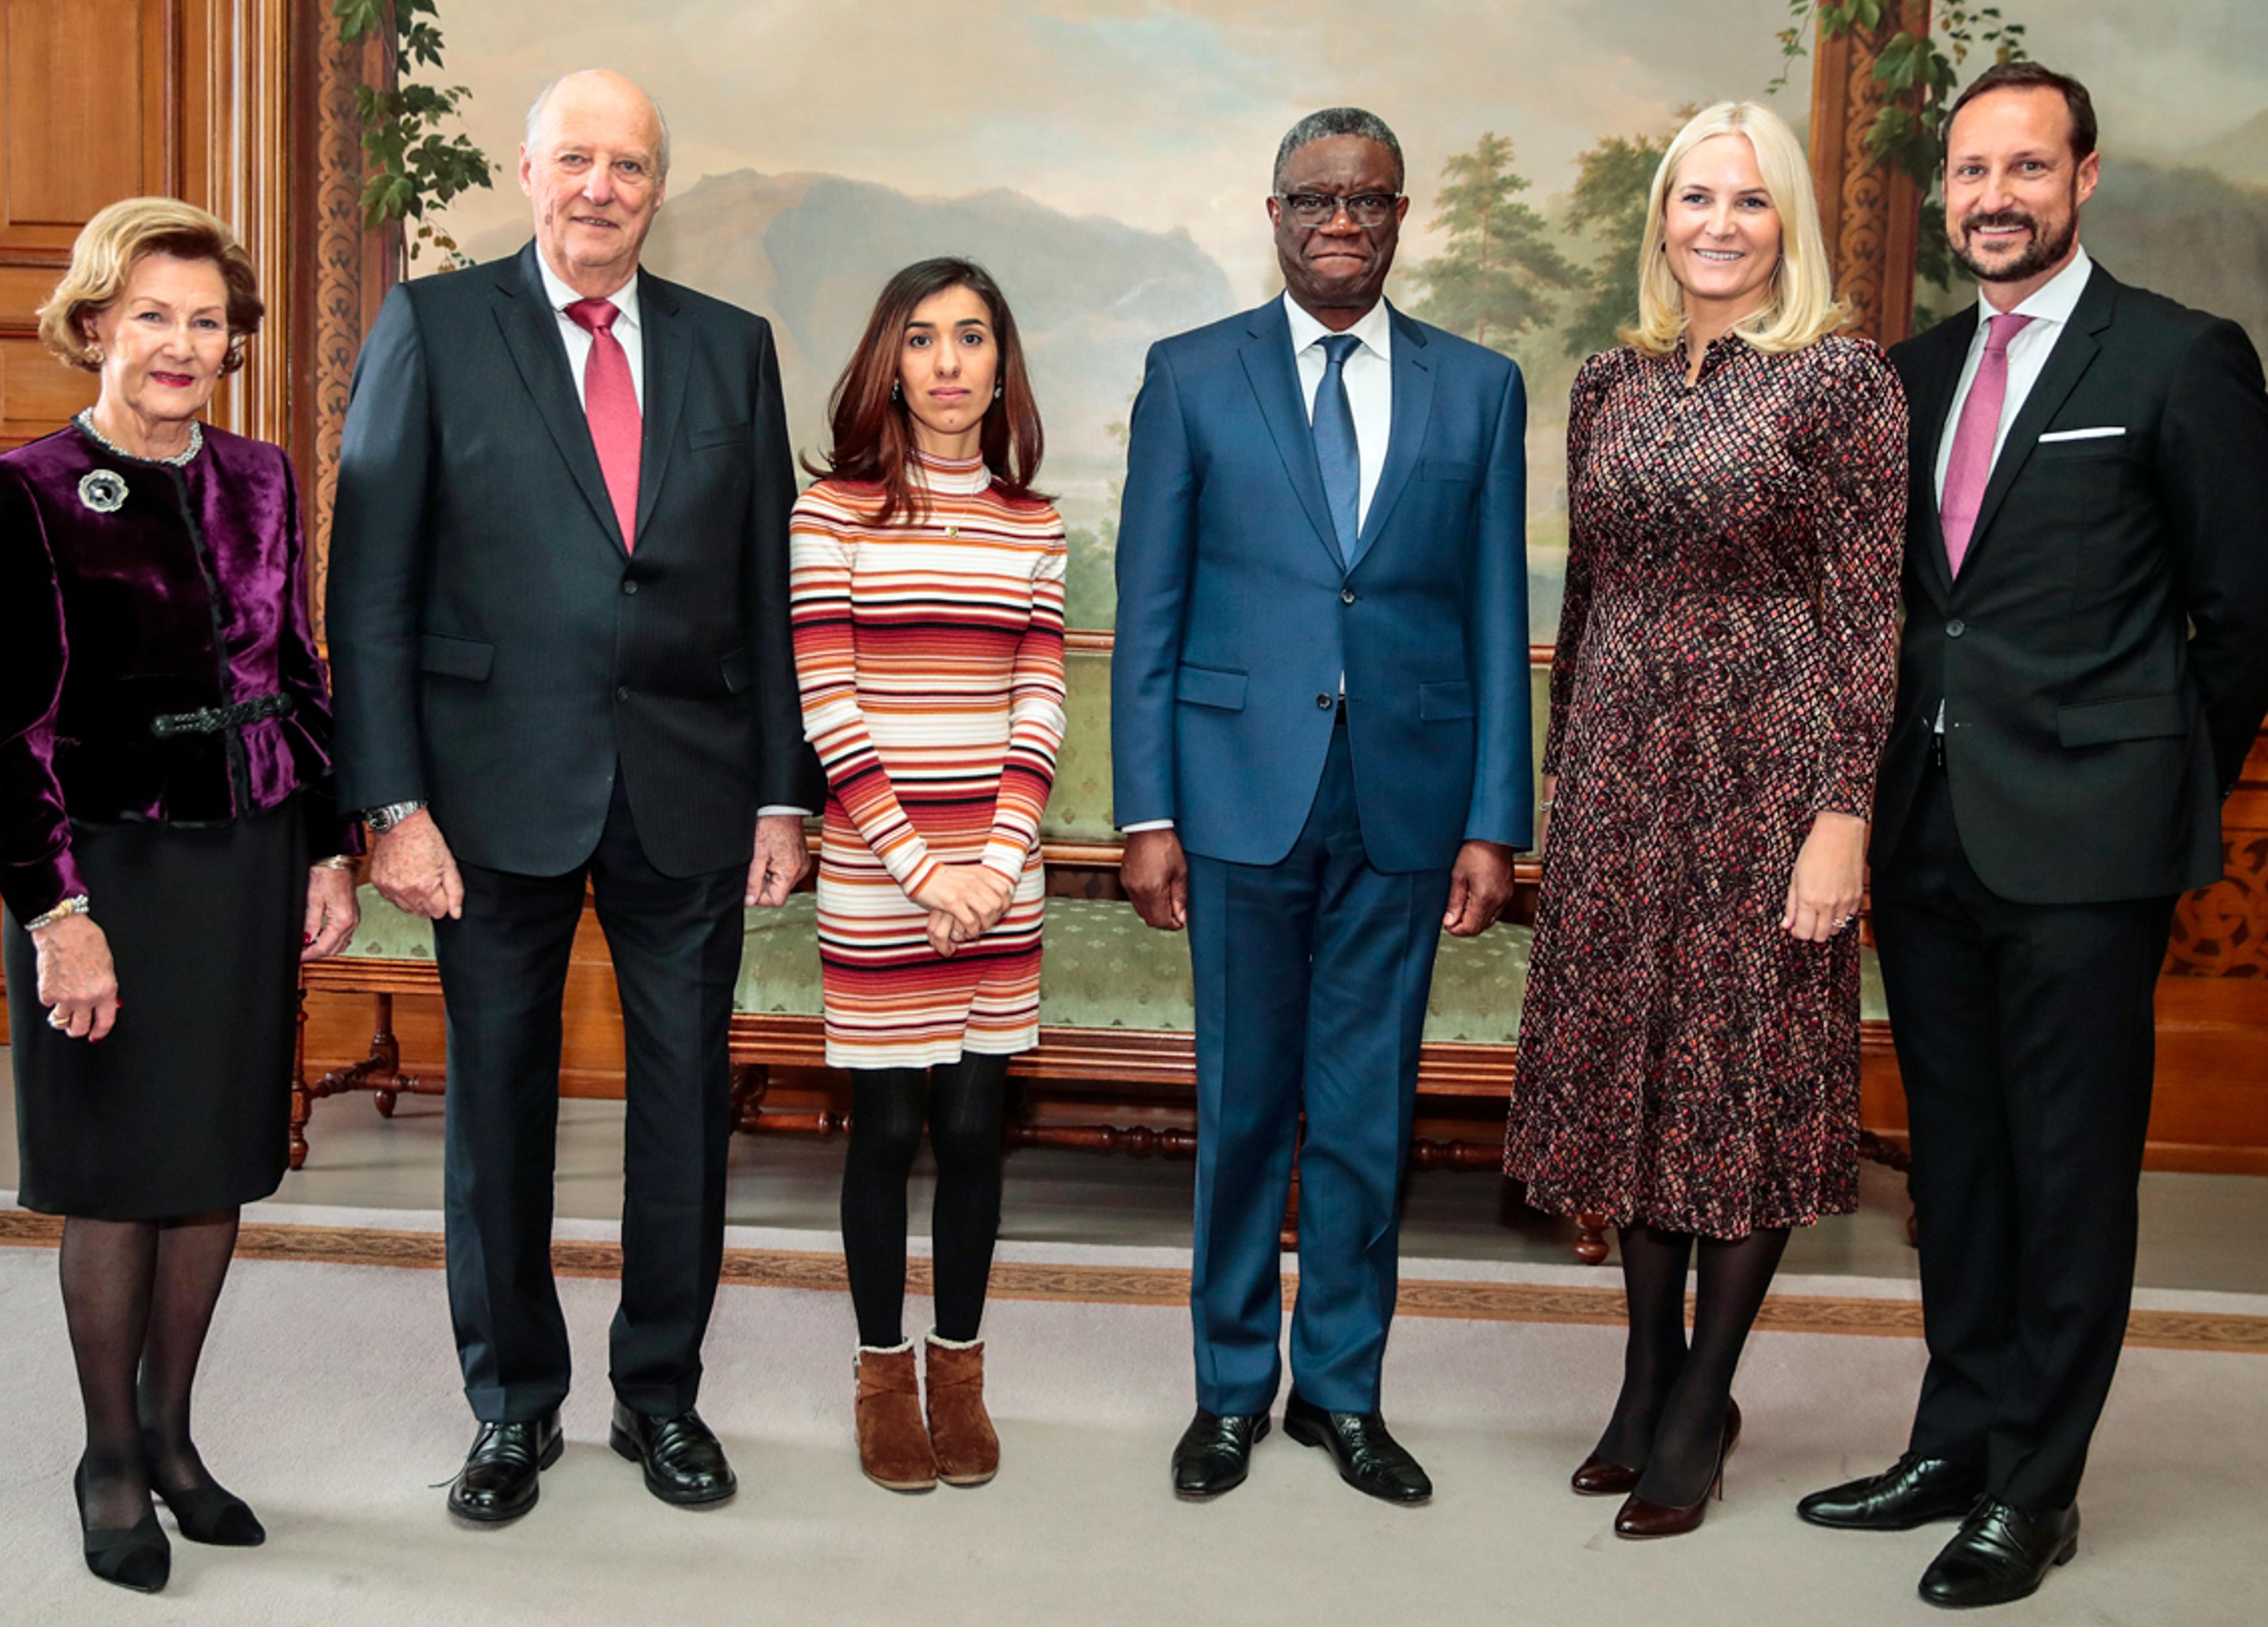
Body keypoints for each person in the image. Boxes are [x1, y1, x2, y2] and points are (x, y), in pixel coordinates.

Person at [1796, 63, 2268, 1609]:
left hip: (2092, 845)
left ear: (2085, 177)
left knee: (2070, 1167)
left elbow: (2249, 612)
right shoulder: (1910, 374)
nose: (1995, 196)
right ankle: (1955, 1439)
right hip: (1927, 832)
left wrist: (2151, 789)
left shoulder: (2178, 358)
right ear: (1945, 191)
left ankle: (2035, 1484)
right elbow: (1902, 614)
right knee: (1957, 1161)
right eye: (1971, 170)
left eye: (2026, 167)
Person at [327, 69, 820, 1525]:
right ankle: (512, 1402)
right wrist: (390, 802)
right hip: (486, 795)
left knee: (685, 1107)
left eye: (631, 164)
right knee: (496, 1105)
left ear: (659, 186)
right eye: (578, 160)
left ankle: (661, 1393)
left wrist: (783, 793)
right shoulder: (433, 326)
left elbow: (768, 590)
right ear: (528, 172)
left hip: (692, 787)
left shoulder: (731, 347)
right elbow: (369, 588)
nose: (602, 187)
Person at [1113, 107, 1533, 1505]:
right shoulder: (1191, 374)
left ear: (1402, 214)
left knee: (1366, 1114)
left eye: (1367, 198)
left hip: (1408, 804)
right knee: (1242, 1108)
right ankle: (1231, 1390)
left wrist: (1495, 819)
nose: (1340, 220)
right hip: (1237, 801)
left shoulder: (1480, 389)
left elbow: (1495, 614)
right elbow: (1150, 608)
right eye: (1314, 198)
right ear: (1276, 214)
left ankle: (1342, 1392)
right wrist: (1146, 811)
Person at [1503, 103, 1908, 1540]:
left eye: (1748, 199)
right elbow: (1588, 594)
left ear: (1786, 222)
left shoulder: (1841, 380)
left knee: (1742, 1081)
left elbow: (1869, 614)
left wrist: (1843, 812)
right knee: (1632, 1074)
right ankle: (1646, 1377)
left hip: (1767, 773)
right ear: (1661, 220)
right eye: (1695, 198)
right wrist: (1564, 778)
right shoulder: (1608, 382)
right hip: (1620, 770)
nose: (1718, 224)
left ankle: (1703, 1398)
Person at [0, 197, 361, 1593]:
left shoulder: (262, 476)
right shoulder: (23, 490)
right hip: (105, 871)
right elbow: (6, 735)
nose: (182, 345)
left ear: (232, 341)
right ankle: (110, 1456)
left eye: (206, 321)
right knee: (120, 1172)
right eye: (151, 316)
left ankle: (177, 1438)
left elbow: (296, 671)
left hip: (246, 857)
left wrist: (326, 846)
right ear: (94, 326)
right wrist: (57, 917)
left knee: (212, 1161)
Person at [789, 258, 1066, 1492]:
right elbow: (829, 707)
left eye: (971, 337)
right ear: (888, 364)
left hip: (1000, 875)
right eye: (920, 337)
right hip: (876, 872)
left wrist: (995, 866)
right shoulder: (830, 513)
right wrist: (921, 872)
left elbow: (1040, 702)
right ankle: (880, 1376)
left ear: (1001, 366)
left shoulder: (1034, 523)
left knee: (971, 1129)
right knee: (887, 1128)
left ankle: (960, 1373)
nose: (947, 361)